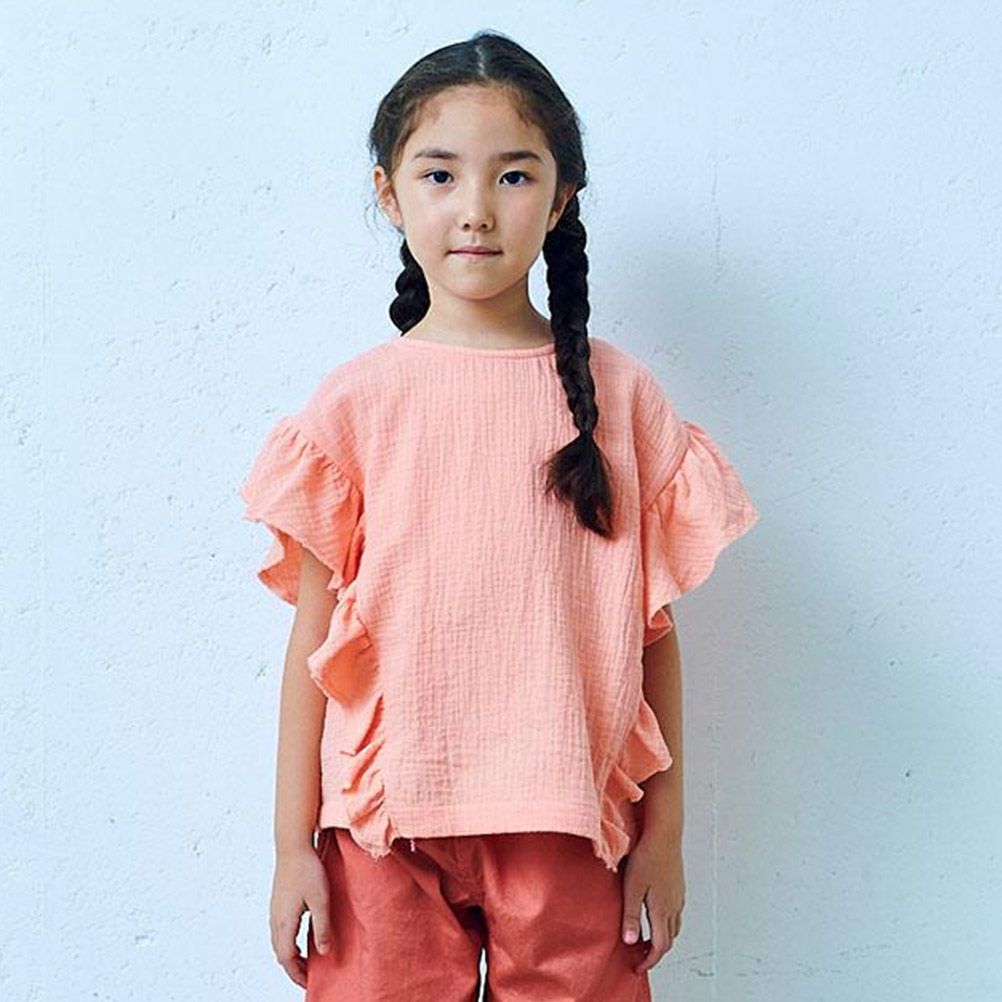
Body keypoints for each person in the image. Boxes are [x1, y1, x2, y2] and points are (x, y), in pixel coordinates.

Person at [238, 29, 759, 1002]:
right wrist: (290, 845)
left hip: (567, 818)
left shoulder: (622, 400)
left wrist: (666, 835)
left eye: (514, 176)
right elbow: (311, 643)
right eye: (440, 175)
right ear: (390, 194)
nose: (475, 208)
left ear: (561, 199)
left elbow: (653, 637)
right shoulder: (353, 407)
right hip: (381, 830)